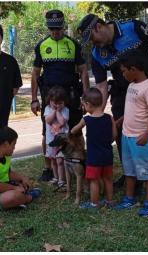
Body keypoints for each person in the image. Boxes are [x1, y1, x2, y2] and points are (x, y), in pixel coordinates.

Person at [77, 14, 148, 191]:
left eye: (92, 37)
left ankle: (143, 172)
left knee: (138, 127)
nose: (93, 43)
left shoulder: (132, 27)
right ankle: (130, 173)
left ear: (98, 27)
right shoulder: (96, 54)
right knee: (122, 132)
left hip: (146, 86)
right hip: (121, 91)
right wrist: (98, 114)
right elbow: (101, 86)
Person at [31, 10, 89, 181]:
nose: (55, 32)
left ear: (63, 26)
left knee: (76, 130)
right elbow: (35, 74)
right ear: (48, 28)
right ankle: (48, 168)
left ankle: (80, 161)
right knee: (47, 131)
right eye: (52, 29)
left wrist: (85, 97)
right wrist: (34, 99)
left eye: (58, 28)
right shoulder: (41, 45)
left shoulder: (73, 44)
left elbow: (83, 70)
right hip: (50, 97)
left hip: (70, 95)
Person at [114, 52, 148, 217]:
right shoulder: (132, 85)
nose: (123, 74)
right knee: (129, 170)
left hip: (140, 137)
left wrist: (147, 134)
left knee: (146, 171)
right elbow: (130, 109)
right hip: (127, 136)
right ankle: (129, 198)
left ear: (133, 69)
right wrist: (119, 122)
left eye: (124, 71)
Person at [71, 88, 117, 209]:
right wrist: (108, 141)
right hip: (107, 155)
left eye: (83, 105)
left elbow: (74, 130)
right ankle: (110, 201)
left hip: (93, 157)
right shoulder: (109, 117)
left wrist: (71, 131)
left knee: (94, 180)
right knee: (108, 179)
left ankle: (94, 203)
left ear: (87, 104)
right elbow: (114, 135)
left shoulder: (86, 119)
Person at [0, 127, 41, 210]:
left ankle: (19, 198)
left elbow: (8, 173)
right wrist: (14, 188)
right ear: (5, 144)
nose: (14, 148)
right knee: (11, 197)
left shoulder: (6, 156)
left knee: (21, 184)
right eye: (13, 144)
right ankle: (28, 197)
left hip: (4, 187)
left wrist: (23, 178)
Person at [44, 86, 69, 187]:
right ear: (50, 101)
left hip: (61, 141)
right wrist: (53, 111)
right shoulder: (47, 109)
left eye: (60, 103)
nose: (58, 105)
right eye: (55, 103)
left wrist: (57, 111)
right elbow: (48, 121)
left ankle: (61, 180)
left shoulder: (65, 110)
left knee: (60, 161)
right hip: (51, 140)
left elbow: (62, 122)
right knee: (53, 160)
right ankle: (55, 177)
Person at [0, 25, 23, 128]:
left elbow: (16, 85)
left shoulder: (10, 61)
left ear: (1, 38)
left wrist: (6, 99)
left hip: (3, 108)